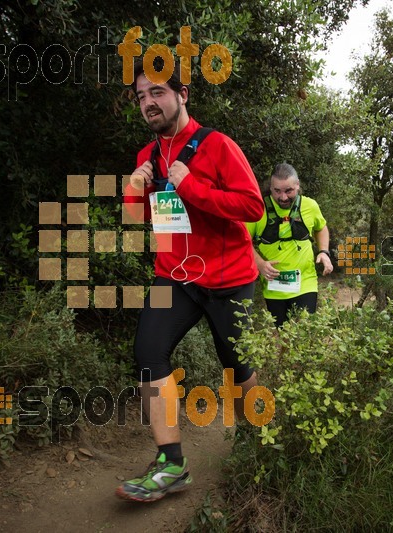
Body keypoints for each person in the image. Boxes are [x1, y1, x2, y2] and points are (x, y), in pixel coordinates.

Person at [116, 60, 264, 503]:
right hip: (174, 276)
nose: (148, 103)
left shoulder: (217, 146)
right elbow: (140, 217)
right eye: (141, 96)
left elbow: (253, 206)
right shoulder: (146, 156)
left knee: (236, 366)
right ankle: (171, 464)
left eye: (157, 92)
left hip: (229, 279)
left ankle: (262, 445)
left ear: (183, 95)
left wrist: (192, 186)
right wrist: (134, 189)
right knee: (147, 353)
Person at [247, 163, 333, 327]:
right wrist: (259, 264)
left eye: (288, 191)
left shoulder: (310, 206)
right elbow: (243, 241)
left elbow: (321, 228)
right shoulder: (258, 209)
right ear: (270, 188)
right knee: (284, 336)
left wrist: (323, 252)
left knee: (303, 332)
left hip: (305, 283)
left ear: (298, 186)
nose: (283, 197)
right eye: (277, 191)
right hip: (274, 288)